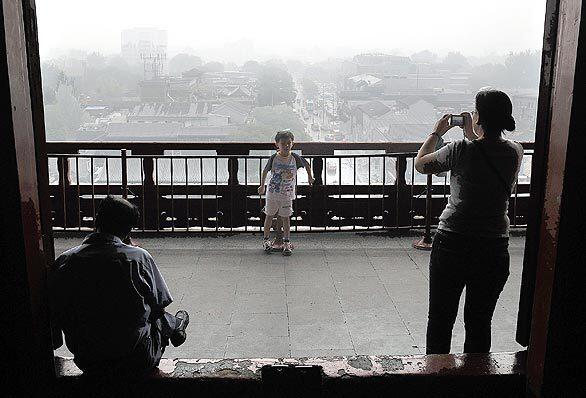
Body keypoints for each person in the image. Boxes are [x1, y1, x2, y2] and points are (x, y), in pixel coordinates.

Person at [414, 89, 523, 354]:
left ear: (479, 117)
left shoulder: (459, 149)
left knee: (441, 318)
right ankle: (476, 377)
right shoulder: (515, 152)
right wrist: (473, 134)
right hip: (494, 246)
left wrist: (437, 133)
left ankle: (436, 376)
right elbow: (487, 152)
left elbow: (420, 164)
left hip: (453, 241)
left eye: (475, 112)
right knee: (479, 321)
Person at [51, 196, 190, 377]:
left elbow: (56, 311)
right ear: (128, 230)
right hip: (137, 359)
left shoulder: (65, 260)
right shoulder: (138, 258)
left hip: (88, 361)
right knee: (154, 310)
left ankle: (174, 324)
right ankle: (174, 325)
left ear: (97, 219)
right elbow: (159, 304)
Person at [258, 130, 314, 255]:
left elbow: (307, 164)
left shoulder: (295, 157)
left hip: (287, 194)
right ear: (277, 144)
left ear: (292, 144)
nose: (286, 146)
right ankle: (266, 240)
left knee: (286, 218)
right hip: (272, 193)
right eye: (283, 143)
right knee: (269, 216)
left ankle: (286, 242)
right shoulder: (274, 158)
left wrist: (310, 177)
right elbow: (265, 171)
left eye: (289, 143)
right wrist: (262, 186)